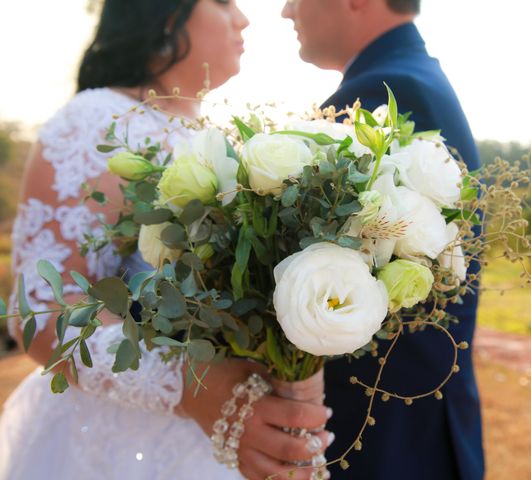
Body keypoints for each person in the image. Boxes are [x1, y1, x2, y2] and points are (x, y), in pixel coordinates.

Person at [0, 2, 332, 479]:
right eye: (223, 1)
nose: (243, 19)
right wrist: (184, 385)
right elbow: (41, 306)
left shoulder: (224, 142)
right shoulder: (94, 122)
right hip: (113, 449)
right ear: (162, 11)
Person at [281, 0, 484, 478]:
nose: (287, 11)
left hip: (385, 441)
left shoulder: (385, 91)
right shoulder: (411, 75)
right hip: (414, 429)